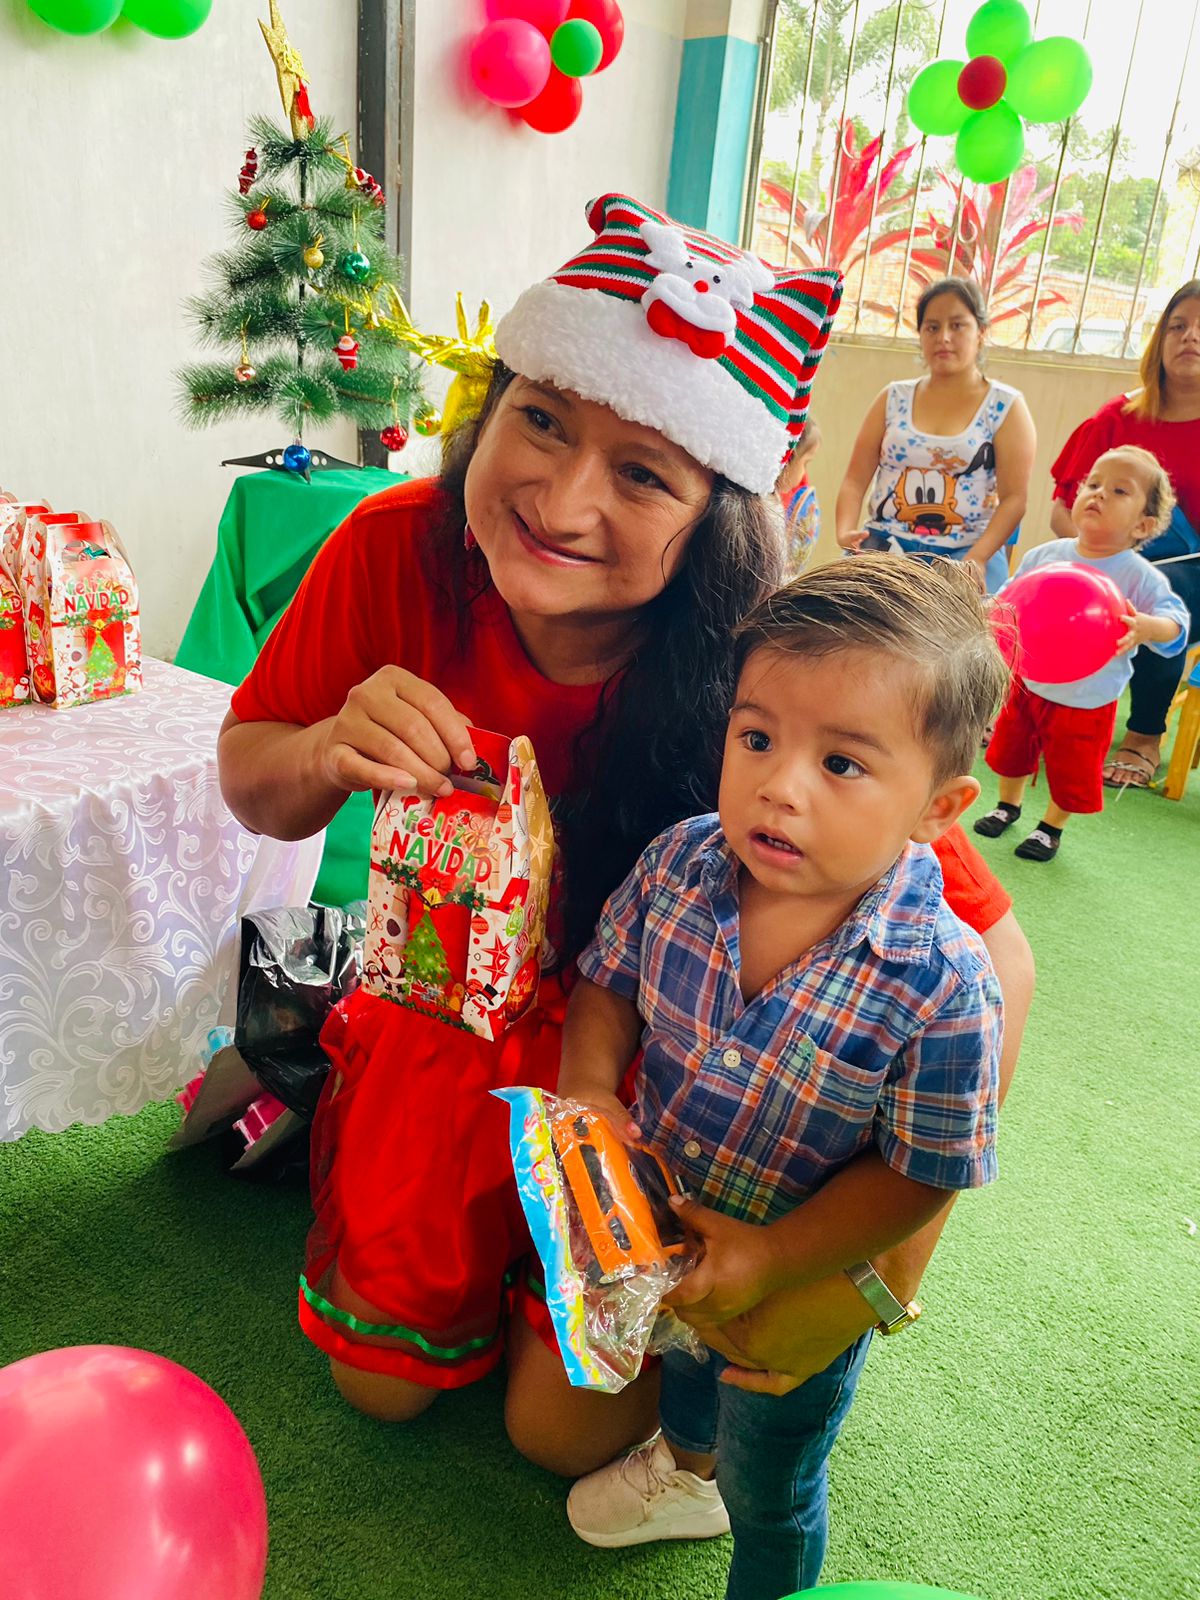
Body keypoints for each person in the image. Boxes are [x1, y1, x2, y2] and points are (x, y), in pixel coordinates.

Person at [216, 191, 1033, 1472]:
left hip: (654, 1087)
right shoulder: (392, 548)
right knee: (379, 1388)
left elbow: (998, 959)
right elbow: (252, 778)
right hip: (441, 1027)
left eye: (644, 472)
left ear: (718, 515)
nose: (561, 497)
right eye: (541, 418)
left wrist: (868, 1280)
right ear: (489, 409)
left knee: (558, 1436)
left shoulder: (767, 661)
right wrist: (324, 748)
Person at [559, 556, 1007, 1600]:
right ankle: (685, 1474)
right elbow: (607, 983)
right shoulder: (679, 863)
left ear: (939, 807)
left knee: (773, 1483)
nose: (780, 784)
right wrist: (590, 1088)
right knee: (685, 1388)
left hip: (797, 1287)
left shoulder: (944, 985)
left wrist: (775, 1256)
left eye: (842, 762)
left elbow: (921, 1175)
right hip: (665, 1242)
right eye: (756, 737)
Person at [975, 447, 1188, 861]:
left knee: (1071, 768)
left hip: (1088, 697)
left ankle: (1050, 827)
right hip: (1029, 680)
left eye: (1119, 491)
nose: (1099, 494)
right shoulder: (1045, 556)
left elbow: (1175, 622)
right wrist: (986, 613)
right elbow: (1010, 598)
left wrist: (1148, 627)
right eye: (1093, 484)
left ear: (1143, 524)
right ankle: (1007, 806)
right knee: (1011, 751)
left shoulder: (1139, 575)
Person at [1050, 280, 1200, 789]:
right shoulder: (1116, 418)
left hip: (1188, 574)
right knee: (1046, 574)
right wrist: (1099, 557)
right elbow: (1062, 511)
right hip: (1104, 557)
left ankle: (1143, 736)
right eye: (1178, 326)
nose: (1190, 336)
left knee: (1159, 593)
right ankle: (1028, 707)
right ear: (1159, 340)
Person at [835, 276, 1036, 592]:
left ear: (981, 332)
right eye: (932, 327)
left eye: (957, 325)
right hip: (885, 548)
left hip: (965, 554)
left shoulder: (1005, 406)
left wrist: (978, 557)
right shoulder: (893, 397)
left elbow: (1014, 499)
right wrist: (845, 531)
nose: (943, 337)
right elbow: (854, 479)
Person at [776, 417, 821, 573]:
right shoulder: (763, 507)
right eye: (805, 463)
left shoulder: (789, 497)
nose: (804, 475)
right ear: (788, 458)